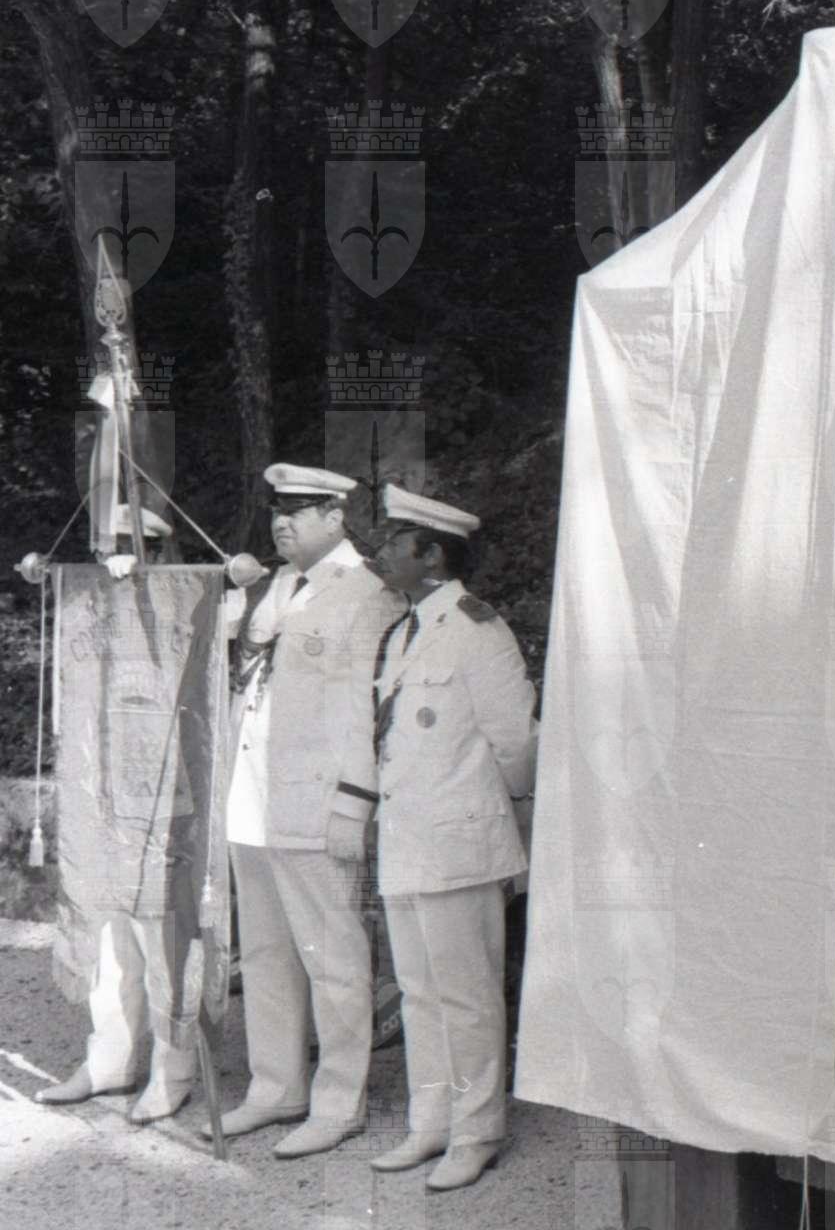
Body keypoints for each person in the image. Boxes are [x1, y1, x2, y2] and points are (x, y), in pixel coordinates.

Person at [207, 464, 403, 1157]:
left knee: (333, 956)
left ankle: (339, 1100)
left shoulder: (367, 593)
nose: (281, 522)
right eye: (275, 510)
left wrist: (355, 801)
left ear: (335, 516)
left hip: (318, 801)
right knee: (264, 953)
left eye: (297, 509)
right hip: (252, 794)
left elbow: (369, 711)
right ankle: (276, 1087)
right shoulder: (275, 585)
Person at [361, 484, 536, 1192]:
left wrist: (502, 815)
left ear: (432, 555)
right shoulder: (402, 630)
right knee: (417, 991)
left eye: (393, 542)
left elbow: (516, 741)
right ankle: (430, 1122)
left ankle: (477, 1130)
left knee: (466, 996)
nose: (380, 553)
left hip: (460, 840)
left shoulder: (476, 629)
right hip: (406, 835)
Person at [34, 504, 195, 1122]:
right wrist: (48, 573)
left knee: (159, 941)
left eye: (127, 546)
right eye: (105, 548)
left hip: (158, 798)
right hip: (98, 792)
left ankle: (172, 1069)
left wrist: (155, 587)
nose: (112, 559)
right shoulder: (92, 604)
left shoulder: (183, 604)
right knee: (107, 937)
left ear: (155, 550)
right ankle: (109, 1061)